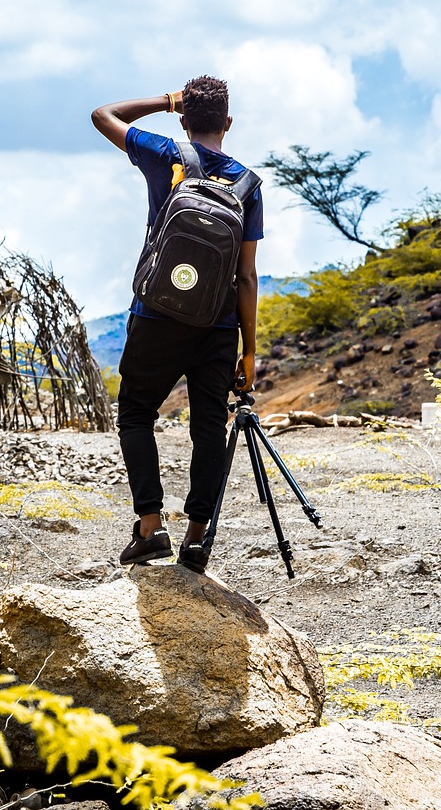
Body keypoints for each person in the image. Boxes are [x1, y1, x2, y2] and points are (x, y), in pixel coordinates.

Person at [90, 75, 263, 573]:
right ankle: (196, 538)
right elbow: (246, 277)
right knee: (209, 427)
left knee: (136, 413)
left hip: (157, 314)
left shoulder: (166, 154)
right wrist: (248, 353)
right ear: (228, 124)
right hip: (218, 325)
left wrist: (166, 102)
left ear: (185, 120)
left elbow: (103, 115)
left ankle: (150, 526)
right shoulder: (248, 184)